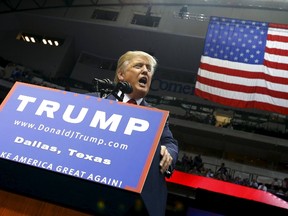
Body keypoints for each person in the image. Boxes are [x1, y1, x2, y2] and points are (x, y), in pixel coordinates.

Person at [91, 51, 179, 216]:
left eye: (149, 69)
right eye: (139, 65)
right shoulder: (94, 101)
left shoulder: (157, 117)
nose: (146, 71)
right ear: (121, 74)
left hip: (134, 204)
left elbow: (170, 143)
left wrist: (169, 152)